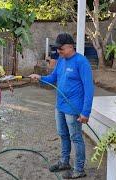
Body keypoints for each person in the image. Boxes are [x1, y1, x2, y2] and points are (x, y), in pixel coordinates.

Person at [29, 33, 94, 179]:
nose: (58, 51)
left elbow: (89, 88)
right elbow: (53, 78)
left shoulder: (81, 62)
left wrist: (85, 112)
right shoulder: (61, 60)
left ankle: (79, 169)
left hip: (73, 108)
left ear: (70, 46)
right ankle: (64, 162)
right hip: (60, 106)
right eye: (57, 49)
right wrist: (40, 78)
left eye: (61, 48)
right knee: (63, 135)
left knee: (76, 138)